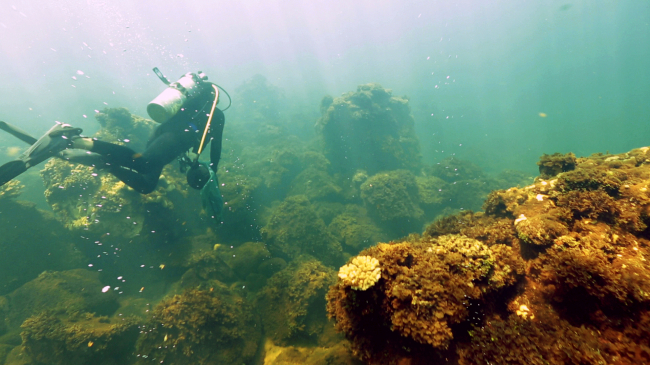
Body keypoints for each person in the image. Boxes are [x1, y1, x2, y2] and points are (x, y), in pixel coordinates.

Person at [0, 70, 227, 218]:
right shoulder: (215, 115)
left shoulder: (199, 108)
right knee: (145, 164)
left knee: (147, 184)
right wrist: (214, 169)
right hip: (173, 138)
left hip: (165, 135)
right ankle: (73, 139)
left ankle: (107, 163)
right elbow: (215, 146)